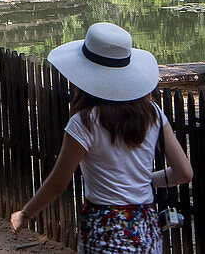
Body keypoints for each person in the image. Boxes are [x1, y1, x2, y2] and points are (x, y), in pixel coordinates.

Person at [11, 22, 192, 252]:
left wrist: (25, 214)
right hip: (146, 229)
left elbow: (58, 183)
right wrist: (145, 180)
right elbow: (184, 173)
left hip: (104, 230)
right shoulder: (153, 114)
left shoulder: (84, 122)